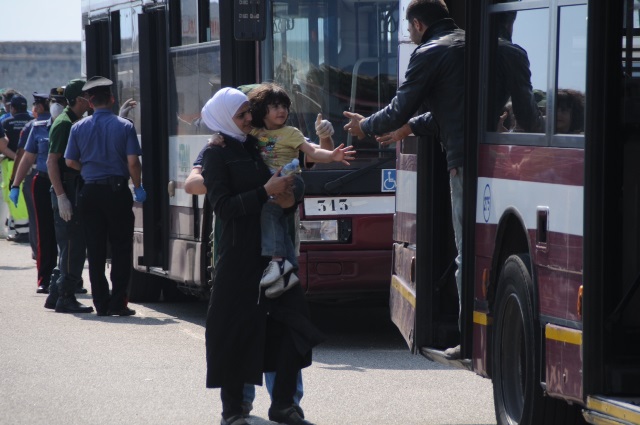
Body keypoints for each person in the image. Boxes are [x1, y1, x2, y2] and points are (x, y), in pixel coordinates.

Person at [185, 102, 335, 419]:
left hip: (277, 255)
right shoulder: (217, 149)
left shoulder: (267, 145)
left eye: (252, 113)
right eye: (243, 115)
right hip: (237, 254)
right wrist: (260, 189)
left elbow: (304, 170)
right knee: (237, 330)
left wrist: (288, 191)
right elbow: (203, 189)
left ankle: (284, 403)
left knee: (290, 326)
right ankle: (236, 405)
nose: (251, 119)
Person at [343, 0, 465, 360]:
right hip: (504, 160)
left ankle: (469, 338)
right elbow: (457, 111)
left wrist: (364, 126)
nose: (408, 37)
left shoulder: (429, 52)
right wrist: (410, 129)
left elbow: (400, 106)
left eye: (408, 30)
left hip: (463, 165)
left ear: (417, 24)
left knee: (466, 252)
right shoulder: (477, 46)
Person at [244, 83, 354, 296]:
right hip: (271, 186)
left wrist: (332, 156)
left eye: (284, 106)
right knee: (277, 220)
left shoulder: (292, 133)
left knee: (269, 212)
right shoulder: (254, 133)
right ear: (261, 110)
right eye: (274, 106)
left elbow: (313, 151)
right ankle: (288, 270)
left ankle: (277, 262)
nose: (281, 110)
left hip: (292, 182)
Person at [64, 76, 146, 317]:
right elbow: (133, 163)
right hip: (117, 191)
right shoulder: (125, 126)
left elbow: (69, 161)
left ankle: (100, 303)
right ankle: (118, 302)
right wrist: (138, 187)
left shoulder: (77, 127)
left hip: (89, 193)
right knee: (121, 248)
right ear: (111, 99)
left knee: (95, 248)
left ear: (90, 102)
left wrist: (88, 169)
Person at [44, 79, 94, 313]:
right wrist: (62, 196)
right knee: (73, 244)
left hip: (70, 188)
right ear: (78, 100)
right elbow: (52, 162)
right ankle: (65, 296)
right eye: (87, 97)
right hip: (67, 189)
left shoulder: (73, 121)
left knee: (68, 244)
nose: (90, 100)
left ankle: (55, 294)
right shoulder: (64, 124)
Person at [10, 92, 58, 294]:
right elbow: (27, 158)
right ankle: (45, 278)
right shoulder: (36, 127)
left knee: (68, 235)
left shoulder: (72, 125)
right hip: (43, 181)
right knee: (44, 231)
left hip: (66, 183)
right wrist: (15, 184)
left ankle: (68, 276)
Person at [13, 92, 52, 259]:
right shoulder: (60, 122)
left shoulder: (32, 126)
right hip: (54, 174)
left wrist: (14, 181)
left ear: (40, 106)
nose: (33, 108)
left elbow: (22, 154)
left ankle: (39, 252)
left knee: (36, 216)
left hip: (35, 175)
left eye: (35, 105)